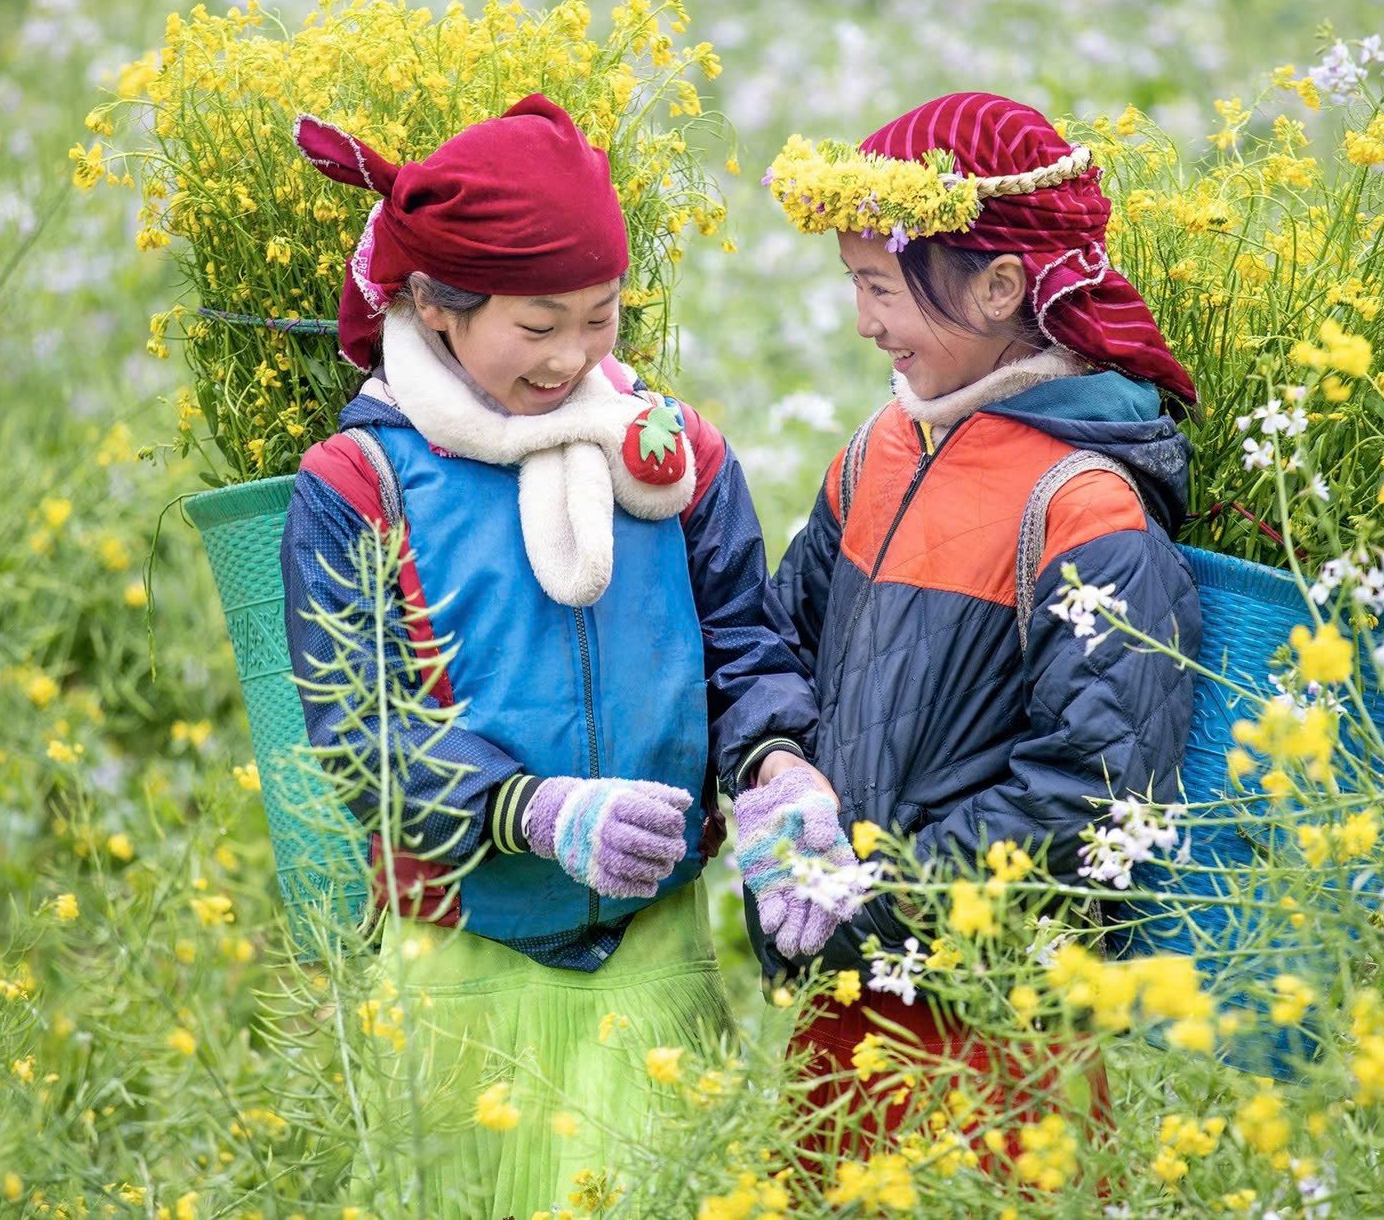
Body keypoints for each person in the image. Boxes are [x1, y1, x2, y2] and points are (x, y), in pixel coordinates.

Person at [277, 94, 819, 1215]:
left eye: (602, 316)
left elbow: (743, 646)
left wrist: (780, 773)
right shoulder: (358, 485)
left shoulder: (673, 456)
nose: (574, 356)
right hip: (460, 957)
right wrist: (527, 808)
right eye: (538, 324)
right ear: (432, 303)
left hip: (651, 942)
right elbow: (357, 729)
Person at [755, 91, 1203, 1164]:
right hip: (842, 1000)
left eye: (878, 286)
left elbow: (1090, 792)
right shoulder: (880, 450)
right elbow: (776, 640)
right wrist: (774, 769)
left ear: (1002, 285)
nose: (863, 321)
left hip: (993, 1037)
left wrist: (868, 902)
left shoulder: (1082, 502)